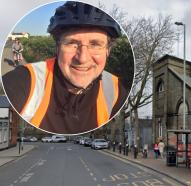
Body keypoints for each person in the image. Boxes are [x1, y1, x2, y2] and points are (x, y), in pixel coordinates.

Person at [2, 1, 131, 134]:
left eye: (95, 44)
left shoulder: (116, 89)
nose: (82, 58)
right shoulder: (25, 80)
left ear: (107, 51)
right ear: (57, 48)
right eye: (72, 43)